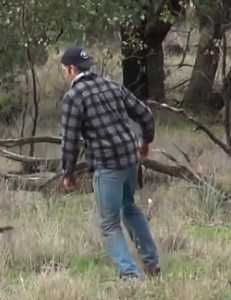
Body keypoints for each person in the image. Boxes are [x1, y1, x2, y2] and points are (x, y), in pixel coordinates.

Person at [59, 45, 161, 281]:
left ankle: (130, 275)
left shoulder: (74, 97)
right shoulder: (111, 85)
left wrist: (68, 173)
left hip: (108, 165)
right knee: (129, 207)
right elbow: (145, 114)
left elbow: (70, 140)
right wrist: (145, 142)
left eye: (66, 69)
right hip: (130, 158)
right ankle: (152, 263)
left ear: (72, 69)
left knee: (109, 223)